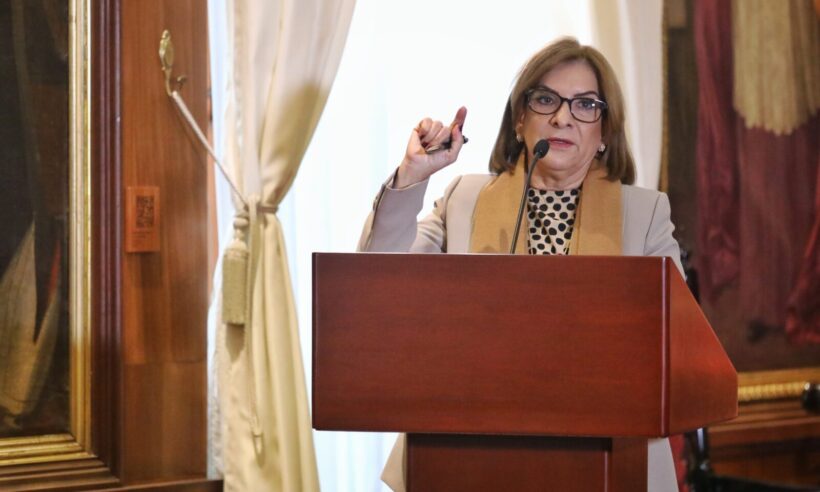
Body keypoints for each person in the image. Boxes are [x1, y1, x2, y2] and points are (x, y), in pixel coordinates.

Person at [358, 37, 682, 492]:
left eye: (586, 104)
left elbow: (674, 343)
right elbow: (378, 284)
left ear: (605, 132)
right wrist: (410, 179)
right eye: (546, 99)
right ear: (519, 120)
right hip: (469, 449)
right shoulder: (463, 200)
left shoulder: (645, 214)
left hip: (607, 455)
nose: (562, 116)